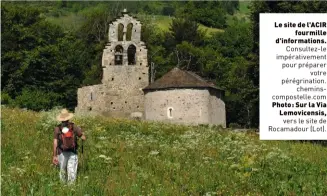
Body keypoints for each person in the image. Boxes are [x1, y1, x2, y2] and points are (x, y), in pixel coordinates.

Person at [52, 108, 86, 184]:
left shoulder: (57, 128)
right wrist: (82, 135)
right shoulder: (73, 126)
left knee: (62, 170)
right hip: (73, 152)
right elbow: (83, 137)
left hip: (61, 152)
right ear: (68, 118)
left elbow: (55, 143)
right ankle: (71, 189)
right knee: (72, 171)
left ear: (61, 119)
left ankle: (62, 187)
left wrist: (54, 155)